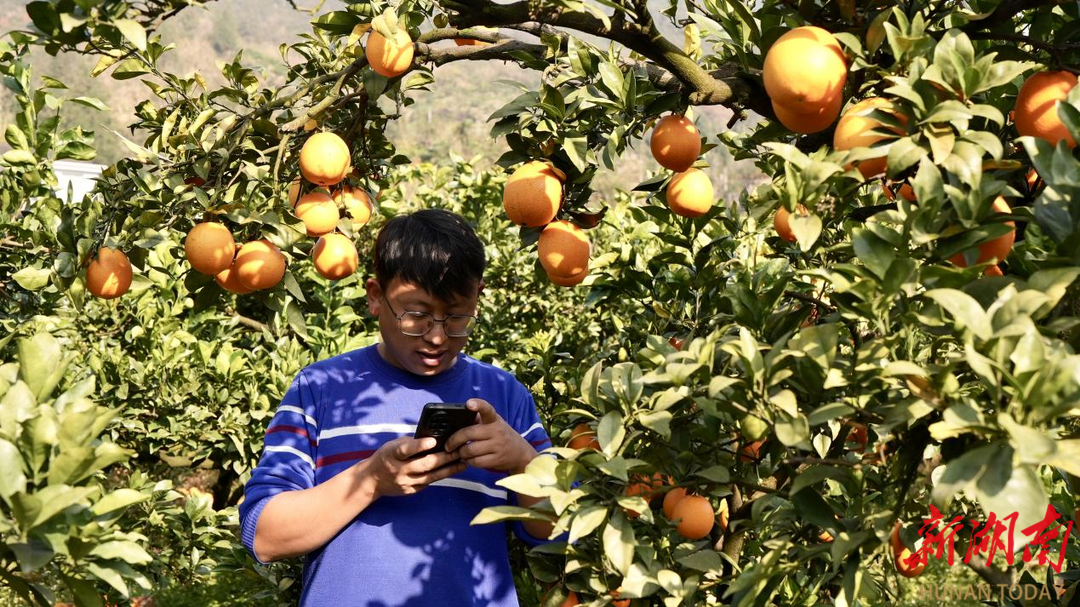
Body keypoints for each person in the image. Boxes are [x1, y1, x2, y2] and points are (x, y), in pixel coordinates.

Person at [239, 208, 556, 606]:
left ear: (478, 297)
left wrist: (524, 462)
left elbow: (562, 534)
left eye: (456, 316)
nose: (437, 336)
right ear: (376, 296)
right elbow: (264, 535)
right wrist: (370, 480)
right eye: (416, 315)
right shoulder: (320, 388)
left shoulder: (504, 395)